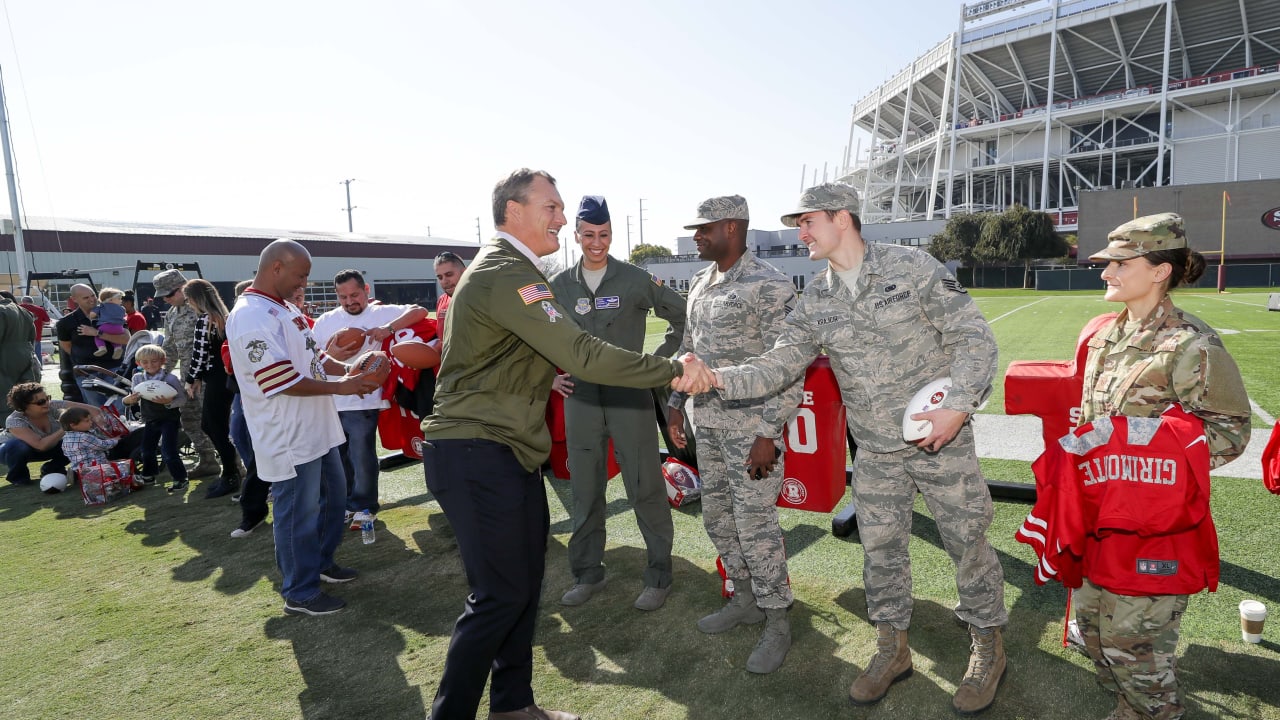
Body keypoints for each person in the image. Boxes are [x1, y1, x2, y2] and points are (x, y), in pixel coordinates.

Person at [690, 183, 1009, 711]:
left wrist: (958, 404)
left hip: (939, 441)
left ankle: (987, 647)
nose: (801, 232)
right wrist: (714, 378)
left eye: (808, 221)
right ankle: (892, 647)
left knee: (967, 544)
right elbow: (778, 364)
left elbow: (972, 339)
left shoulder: (911, 266)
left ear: (842, 218)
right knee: (881, 553)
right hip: (876, 452)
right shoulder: (817, 296)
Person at [421, 168, 711, 720]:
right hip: (477, 450)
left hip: (503, 452)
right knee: (498, 598)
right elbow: (580, 351)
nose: (561, 218)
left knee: (523, 587)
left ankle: (513, 707)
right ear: (513, 211)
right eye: (551, 207)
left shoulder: (515, 271)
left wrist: (544, 374)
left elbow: (522, 351)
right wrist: (671, 369)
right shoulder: (508, 271)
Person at [1074, 213, 1251, 720]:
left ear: (1159, 271)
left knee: (1135, 648)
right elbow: (1093, 422)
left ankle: (1151, 710)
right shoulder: (1105, 335)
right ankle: (1130, 708)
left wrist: (1145, 456)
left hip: (1154, 525)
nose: (1106, 272)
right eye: (1105, 263)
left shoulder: (1191, 344)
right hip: (1099, 517)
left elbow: (1230, 431)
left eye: (1119, 263)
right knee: (1093, 632)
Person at [663, 194, 802, 675]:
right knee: (718, 518)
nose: (697, 236)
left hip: (751, 434)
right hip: (710, 425)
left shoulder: (770, 284)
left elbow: (791, 365)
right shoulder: (700, 281)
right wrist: (677, 405)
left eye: (704, 228)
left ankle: (778, 619)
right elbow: (688, 350)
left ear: (732, 228)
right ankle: (744, 599)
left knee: (756, 526)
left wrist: (769, 431)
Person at [226, 239, 381, 617]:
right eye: (301, 274)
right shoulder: (250, 315)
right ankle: (299, 591)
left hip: (319, 428)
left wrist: (347, 369)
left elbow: (313, 357)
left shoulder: (282, 307)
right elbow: (279, 380)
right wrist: (343, 386)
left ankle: (321, 564)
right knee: (297, 512)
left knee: (332, 502)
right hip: (289, 434)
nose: (305, 283)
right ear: (276, 267)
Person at [548, 195, 687, 611]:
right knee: (586, 490)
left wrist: (658, 364)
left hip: (630, 399)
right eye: (589, 235)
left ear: (612, 234)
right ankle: (587, 573)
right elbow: (537, 335)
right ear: (576, 235)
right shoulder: (558, 287)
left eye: (604, 235)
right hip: (582, 399)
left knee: (645, 487)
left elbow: (682, 317)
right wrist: (551, 376)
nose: (596, 243)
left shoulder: (634, 279)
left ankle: (659, 575)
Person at [313, 270, 428, 529]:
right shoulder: (325, 321)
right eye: (343, 296)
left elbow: (419, 311)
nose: (349, 301)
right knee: (336, 458)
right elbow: (312, 358)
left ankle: (364, 506)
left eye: (354, 294)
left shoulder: (381, 312)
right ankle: (343, 504)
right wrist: (332, 353)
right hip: (332, 398)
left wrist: (389, 329)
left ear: (366, 289)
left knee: (361, 454)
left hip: (363, 399)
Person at [154, 270, 220, 478]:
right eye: (162, 296)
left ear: (183, 288)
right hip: (187, 378)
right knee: (190, 419)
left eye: (169, 294)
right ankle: (208, 460)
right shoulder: (172, 314)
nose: (166, 299)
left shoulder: (201, 310)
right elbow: (170, 346)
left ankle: (234, 464)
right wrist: (160, 373)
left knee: (215, 421)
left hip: (208, 376)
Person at [183, 278, 243, 499]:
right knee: (216, 426)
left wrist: (190, 379)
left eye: (189, 299)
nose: (188, 304)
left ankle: (231, 473)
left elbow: (199, 356)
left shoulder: (205, 320)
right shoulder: (224, 318)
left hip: (216, 380)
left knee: (212, 426)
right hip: (226, 378)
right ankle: (232, 469)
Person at [1, 382, 106, 485]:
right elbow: (41, 446)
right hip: (11, 451)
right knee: (17, 446)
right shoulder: (14, 420)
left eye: (47, 398)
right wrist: (66, 427)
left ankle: (51, 468)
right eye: (41, 402)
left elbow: (94, 410)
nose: (47, 403)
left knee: (76, 442)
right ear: (24, 405)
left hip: (49, 446)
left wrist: (101, 427)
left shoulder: (53, 405)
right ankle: (18, 477)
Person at [123, 344, 190, 492]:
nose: (150, 365)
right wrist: (129, 400)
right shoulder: (138, 378)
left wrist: (168, 403)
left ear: (162, 361)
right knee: (146, 450)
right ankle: (149, 475)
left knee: (168, 451)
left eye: (154, 361)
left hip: (169, 420)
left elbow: (182, 399)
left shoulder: (170, 378)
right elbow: (130, 398)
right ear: (138, 363)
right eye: (145, 362)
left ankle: (180, 478)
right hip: (150, 419)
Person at [55, 284, 130, 407]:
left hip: (114, 370)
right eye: (86, 298)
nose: (92, 300)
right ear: (74, 299)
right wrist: (83, 358)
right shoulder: (65, 323)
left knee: (120, 409)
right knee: (95, 410)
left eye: (93, 295)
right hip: (86, 373)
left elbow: (126, 339)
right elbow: (67, 346)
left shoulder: (112, 313)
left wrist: (97, 333)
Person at [0, 292, 39, 415]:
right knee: (26, 398)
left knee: (6, 401)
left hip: (4, 360)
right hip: (27, 357)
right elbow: (32, 336)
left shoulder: (2, 311)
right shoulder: (22, 310)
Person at [89, 287, 129, 359]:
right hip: (119, 328)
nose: (121, 301)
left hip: (105, 326)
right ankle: (118, 348)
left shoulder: (102, 306)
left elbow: (92, 315)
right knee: (115, 338)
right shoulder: (122, 308)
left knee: (98, 336)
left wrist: (92, 316)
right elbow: (124, 316)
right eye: (119, 299)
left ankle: (102, 348)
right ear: (110, 300)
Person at [433, 251, 466, 329]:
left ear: (465, 272)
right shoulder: (441, 300)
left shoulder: (481, 298)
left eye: (449, 275)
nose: (444, 281)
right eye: (440, 277)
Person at [18, 295, 50, 362]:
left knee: (23, 355)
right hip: (36, 334)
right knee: (37, 353)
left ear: (23, 301)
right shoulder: (40, 309)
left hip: (21, 335)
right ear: (32, 301)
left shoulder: (17, 307)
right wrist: (40, 322)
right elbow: (48, 322)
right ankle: (39, 369)